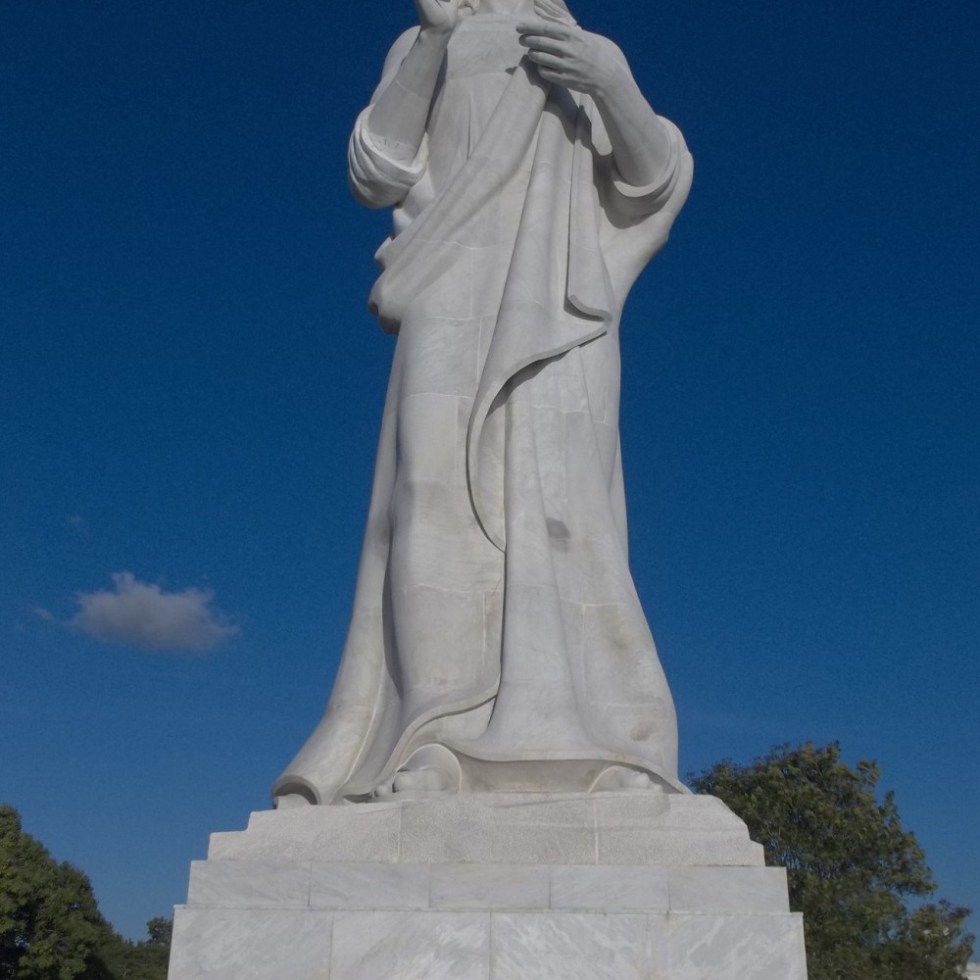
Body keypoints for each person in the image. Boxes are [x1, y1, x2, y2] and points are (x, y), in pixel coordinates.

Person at [273, 0, 693, 806]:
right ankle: (427, 740)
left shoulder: (585, 48)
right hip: (448, 292)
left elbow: (652, 181)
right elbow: (376, 170)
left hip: (563, 309)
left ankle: (610, 742)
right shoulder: (427, 38)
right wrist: (432, 39)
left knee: (571, 511)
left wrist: (611, 84)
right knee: (429, 501)